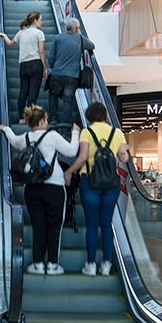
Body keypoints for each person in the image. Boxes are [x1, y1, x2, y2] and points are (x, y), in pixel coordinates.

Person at [2, 105, 80, 275]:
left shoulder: (25, 137)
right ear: (43, 120)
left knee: (38, 226)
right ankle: (52, 264)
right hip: (54, 187)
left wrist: (5, 128)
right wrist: (75, 132)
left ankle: (37, 263)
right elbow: (72, 150)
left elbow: (13, 140)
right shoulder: (52, 136)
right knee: (54, 226)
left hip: (32, 188)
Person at [66, 100, 130, 276]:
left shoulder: (87, 132)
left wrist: (69, 172)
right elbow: (124, 158)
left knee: (92, 225)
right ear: (104, 116)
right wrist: (122, 148)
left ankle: (91, 265)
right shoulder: (117, 133)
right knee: (106, 224)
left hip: (90, 182)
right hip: (111, 184)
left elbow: (82, 157)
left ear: (89, 116)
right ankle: (107, 265)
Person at [44, 17, 94, 130]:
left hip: (57, 74)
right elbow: (92, 46)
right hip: (72, 77)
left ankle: (53, 118)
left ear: (66, 27)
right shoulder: (80, 39)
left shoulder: (57, 38)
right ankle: (65, 123)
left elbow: (50, 57)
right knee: (68, 100)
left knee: (53, 95)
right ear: (76, 28)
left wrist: (53, 68)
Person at [0, 11, 46, 114]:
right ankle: (29, 116)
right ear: (34, 21)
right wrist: (45, 68)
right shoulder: (39, 33)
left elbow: (10, 43)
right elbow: (41, 52)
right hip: (35, 64)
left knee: (23, 92)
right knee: (33, 92)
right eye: (40, 20)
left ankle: (21, 117)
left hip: (23, 65)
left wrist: (4, 35)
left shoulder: (21, 32)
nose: (42, 22)